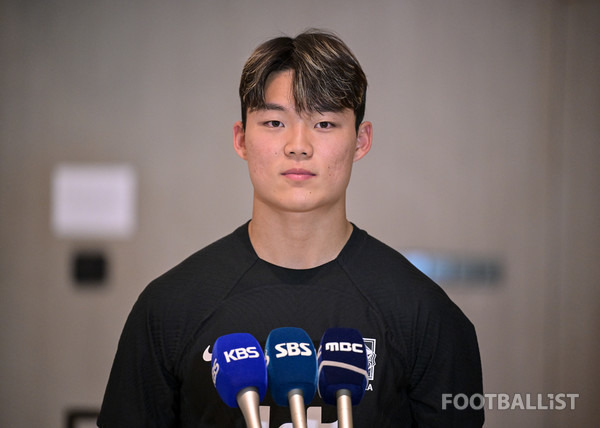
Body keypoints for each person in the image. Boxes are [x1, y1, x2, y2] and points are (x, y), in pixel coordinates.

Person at [97, 29, 484, 427]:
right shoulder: (170, 307)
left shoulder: (424, 314)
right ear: (241, 139)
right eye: (274, 121)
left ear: (361, 141)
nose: (298, 145)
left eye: (325, 123)